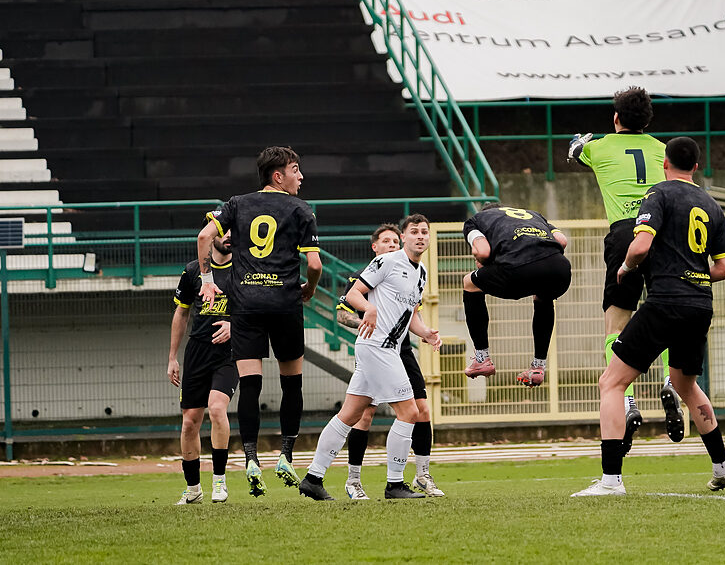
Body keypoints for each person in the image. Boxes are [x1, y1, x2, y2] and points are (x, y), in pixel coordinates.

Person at [572, 136, 725, 497]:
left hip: (665, 302)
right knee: (686, 385)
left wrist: (626, 267)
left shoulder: (658, 193)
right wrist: (694, 276)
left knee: (611, 383)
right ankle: (722, 467)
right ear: (696, 166)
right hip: (700, 305)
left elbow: (641, 245)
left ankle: (611, 481)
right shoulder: (712, 205)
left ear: (665, 163)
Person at [197, 146, 323, 498]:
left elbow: (204, 237)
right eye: (295, 170)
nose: (301, 176)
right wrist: (310, 289)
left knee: (250, 385)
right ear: (278, 176)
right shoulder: (301, 209)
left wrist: (207, 280)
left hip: (246, 306)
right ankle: (285, 455)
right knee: (291, 384)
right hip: (285, 304)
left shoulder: (237, 204)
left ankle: (251, 459)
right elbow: (314, 265)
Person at [568, 85, 684, 453]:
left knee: (616, 326)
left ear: (616, 118)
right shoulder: (662, 150)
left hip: (623, 235)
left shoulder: (599, 147)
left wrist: (579, 141)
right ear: (648, 120)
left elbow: (575, 150)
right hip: (660, 232)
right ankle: (671, 382)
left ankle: (627, 399)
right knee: (667, 315)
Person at [299, 214, 442, 501]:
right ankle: (394, 484)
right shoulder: (387, 262)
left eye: (424, 232)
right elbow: (353, 294)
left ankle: (313, 478)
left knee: (350, 414)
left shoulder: (422, 272)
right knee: (410, 412)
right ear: (404, 237)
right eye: (414, 232)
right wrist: (369, 308)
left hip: (385, 348)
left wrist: (425, 332)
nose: (420, 236)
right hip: (378, 346)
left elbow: (411, 315)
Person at [460, 203, 571, 386]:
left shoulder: (477, 221)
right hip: (560, 269)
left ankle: (482, 358)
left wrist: (485, 263)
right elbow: (562, 240)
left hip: (517, 270)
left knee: (469, 283)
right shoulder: (533, 215)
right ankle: (538, 366)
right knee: (543, 295)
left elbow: (483, 251)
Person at [169, 224, 236, 505]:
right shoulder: (193, 271)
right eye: (224, 231)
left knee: (217, 409)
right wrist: (172, 357)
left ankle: (219, 482)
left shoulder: (244, 270)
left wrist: (234, 325)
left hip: (229, 353)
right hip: (196, 352)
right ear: (211, 235)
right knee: (189, 423)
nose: (229, 236)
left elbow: (257, 311)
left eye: (234, 231)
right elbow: (181, 313)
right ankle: (193, 489)